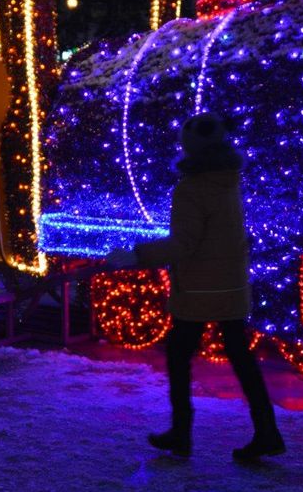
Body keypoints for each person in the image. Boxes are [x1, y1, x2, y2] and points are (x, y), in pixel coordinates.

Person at [106, 112, 284, 462]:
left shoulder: (192, 187)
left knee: (178, 356)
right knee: (242, 360)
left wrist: (135, 255)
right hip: (230, 285)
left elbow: (183, 244)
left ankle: (181, 433)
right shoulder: (229, 179)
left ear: (192, 146)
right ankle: (266, 432)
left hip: (200, 289)